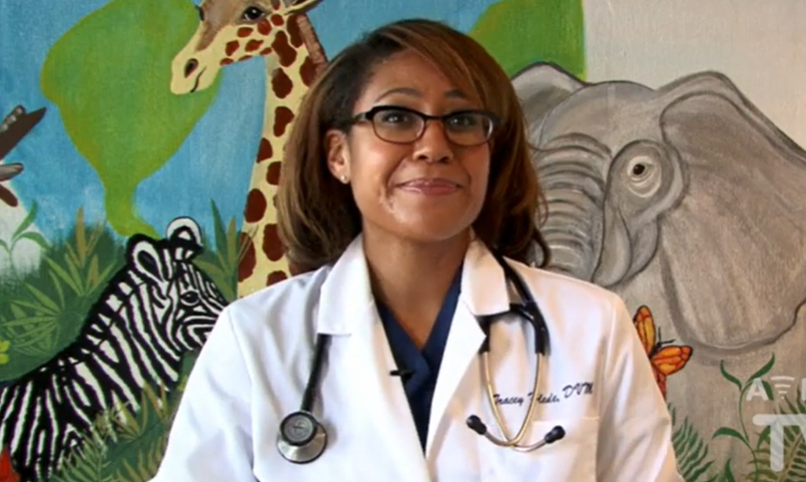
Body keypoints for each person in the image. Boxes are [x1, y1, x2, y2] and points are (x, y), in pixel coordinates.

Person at [149, 18, 683, 482]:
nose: (433, 145)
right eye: (397, 118)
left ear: (491, 153)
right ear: (339, 155)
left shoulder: (591, 326)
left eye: (462, 121)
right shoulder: (256, 338)